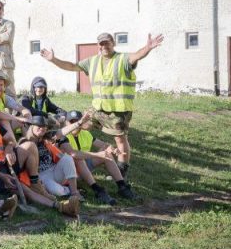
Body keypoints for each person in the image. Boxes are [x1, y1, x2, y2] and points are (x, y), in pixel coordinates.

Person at [41, 30, 164, 179]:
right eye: (101, 43)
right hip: (98, 107)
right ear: (98, 46)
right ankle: (68, 154)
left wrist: (148, 48)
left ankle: (122, 169)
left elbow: (137, 55)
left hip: (118, 110)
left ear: (113, 43)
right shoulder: (92, 61)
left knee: (120, 139)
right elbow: (72, 66)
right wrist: (54, 59)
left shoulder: (122, 59)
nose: (104, 45)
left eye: (107, 42)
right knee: (79, 125)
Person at [58, 109, 137, 205]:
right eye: (71, 121)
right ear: (66, 122)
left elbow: (103, 144)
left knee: (106, 153)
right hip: (70, 172)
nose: (75, 124)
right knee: (78, 158)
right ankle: (97, 190)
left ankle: (122, 186)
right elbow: (73, 153)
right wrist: (98, 154)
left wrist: (112, 149)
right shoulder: (62, 135)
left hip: (84, 167)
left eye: (77, 121)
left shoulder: (85, 133)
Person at [15, 115, 82, 218]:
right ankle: (68, 190)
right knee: (57, 192)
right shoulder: (24, 143)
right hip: (41, 176)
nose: (42, 128)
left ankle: (74, 193)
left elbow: (62, 131)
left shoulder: (46, 138)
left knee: (67, 158)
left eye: (44, 126)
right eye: (39, 126)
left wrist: (79, 123)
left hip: (54, 169)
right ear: (31, 126)